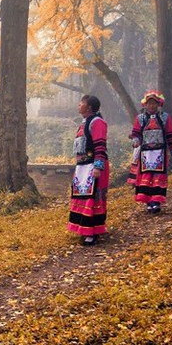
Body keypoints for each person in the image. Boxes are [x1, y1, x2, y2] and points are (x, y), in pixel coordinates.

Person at [129, 90, 172, 213]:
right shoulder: (140, 118)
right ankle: (148, 202)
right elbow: (136, 133)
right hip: (145, 153)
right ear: (145, 105)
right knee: (146, 176)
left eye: (154, 103)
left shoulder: (164, 117)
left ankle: (156, 202)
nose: (151, 106)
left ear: (159, 104)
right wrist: (135, 140)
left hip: (160, 153)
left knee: (158, 177)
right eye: (149, 103)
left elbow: (171, 134)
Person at [67, 94, 108, 245]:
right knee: (82, 197)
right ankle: (83, 228)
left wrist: (98, 166)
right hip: (82, 167)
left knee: (93, 197)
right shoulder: (83, 123)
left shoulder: (97, 123)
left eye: (81, 103)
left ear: (89, 107)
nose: (79, 105)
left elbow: (99, 145)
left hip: (93, 166)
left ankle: (93, 232)